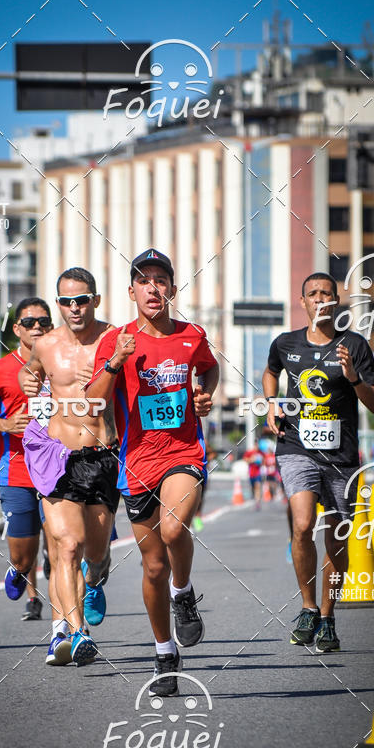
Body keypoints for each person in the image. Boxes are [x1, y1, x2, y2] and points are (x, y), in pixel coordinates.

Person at [86, 248, 219, 697]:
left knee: (175, 526)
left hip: (183, 451)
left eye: (161, 280)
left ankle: (184, 592)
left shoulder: (191, 335)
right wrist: (115, 361)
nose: (153, 287)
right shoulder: (116, 340)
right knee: (153, 564)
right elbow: (93, 401)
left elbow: (210, 370)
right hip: (136, 461)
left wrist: (204, 394)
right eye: (144, 281)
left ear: (172, 289)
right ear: (132, 292)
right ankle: (164, 651)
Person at [262, 272, 374, 653]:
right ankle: (308, 606)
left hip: (342, 457)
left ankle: (328, 616)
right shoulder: (285, 343)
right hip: (296, 447)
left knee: (337, 535)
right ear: (303, 302)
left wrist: (353, 377)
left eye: (326, 294)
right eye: (313, 294)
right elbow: (271, 372)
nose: (320, 300)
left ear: (336, 301)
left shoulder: (355, 345)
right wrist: (271, 402)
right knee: (301, 523)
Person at [18, 268, 119, 667]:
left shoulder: (114, 338)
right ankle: (76, 634)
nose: (74, 308)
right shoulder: (46, 344)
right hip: (57, 458)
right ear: (57, 302)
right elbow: (30, 371)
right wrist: (29, 380)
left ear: (95, 299)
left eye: (81, 300)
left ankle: (95, 581)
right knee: (67, 547)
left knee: (94, 555)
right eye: (65, 301)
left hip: (102, 456)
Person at [0, 298, 54, 622]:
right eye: (29, 323)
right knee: (24, 557)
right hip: (17, 471)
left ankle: (65, 630)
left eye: (44, 322)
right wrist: (4, 424)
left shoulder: (64, 365)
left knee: (61, 549)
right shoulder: (0, 370)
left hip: (59, 472)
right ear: (17, 329)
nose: (37, 328)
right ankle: (19, 570)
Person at [243, 441, 264, 509]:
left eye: (258, 445)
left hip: (258, 473)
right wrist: (251, 460)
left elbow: (264, 461)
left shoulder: (261, 453)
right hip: (251, 473)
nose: (256, 447)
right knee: (253, 488)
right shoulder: (250, 452)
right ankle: (254, 497)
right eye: (256, 445)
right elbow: (245, 459)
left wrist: (261, 462)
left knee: (257, 486)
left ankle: (257, 502)